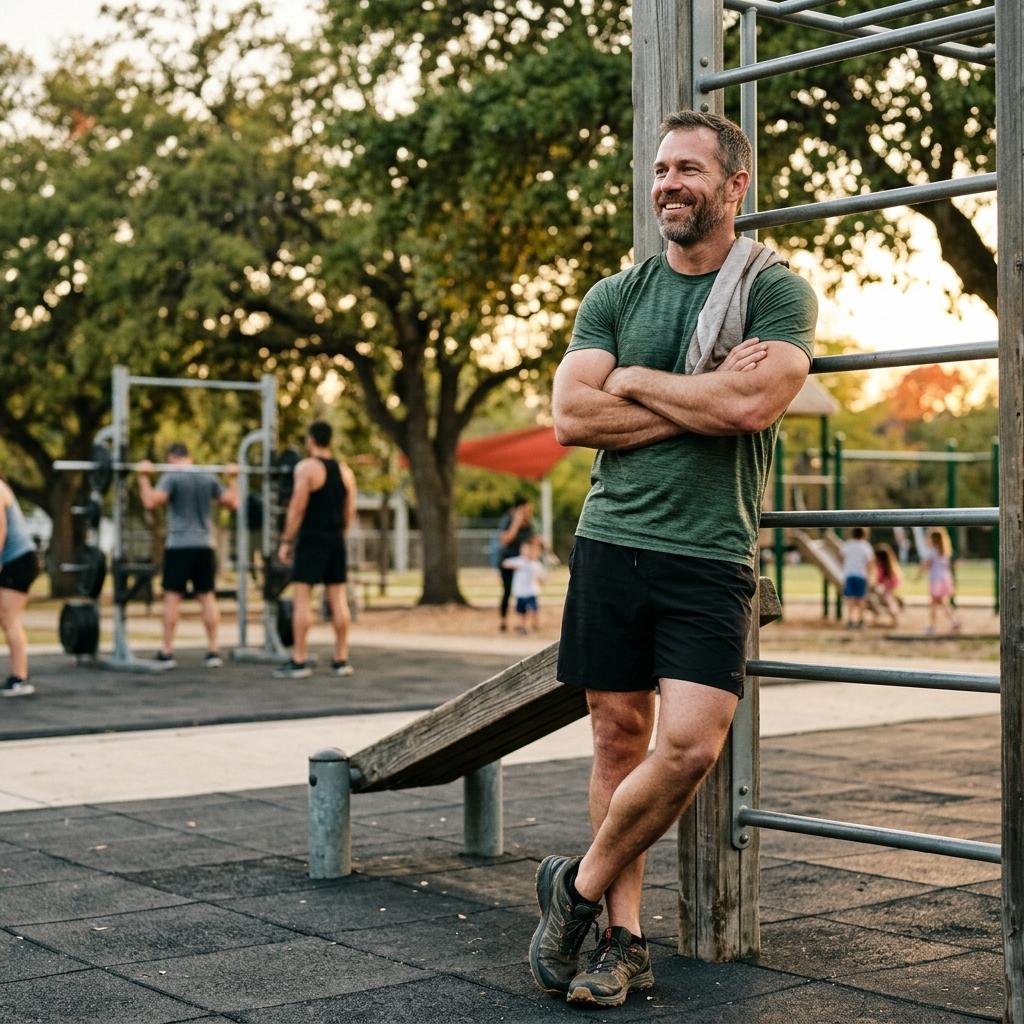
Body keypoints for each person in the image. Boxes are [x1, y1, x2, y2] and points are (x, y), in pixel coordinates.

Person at [531, 110, 817, 1007]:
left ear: (735, 185)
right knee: (618, 738)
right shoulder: (615, 295)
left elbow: (750, 410)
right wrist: (706, 390)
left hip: (710, 554)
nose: (668, 185)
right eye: (659, 170)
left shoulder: (779, 292)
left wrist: (641, 381)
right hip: (613, 542)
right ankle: (623, 941)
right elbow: (573, 419)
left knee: (689, 746)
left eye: (688, 169)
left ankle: (571, 891)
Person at [138, 444, 239, 667]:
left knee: (172, 598)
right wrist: (233, 478)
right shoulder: (207, 477)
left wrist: (143, 477)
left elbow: (151, 502)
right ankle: (213, 651)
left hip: (179, 546)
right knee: (207, 597)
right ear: (190, 457)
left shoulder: (172, 476)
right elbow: (233, 502)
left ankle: (167, 652)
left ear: (171, 458)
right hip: (205, 545)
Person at [275, 421, 357, 679]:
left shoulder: (307, 468)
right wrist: (339, 535)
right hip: (335, 538)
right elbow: (349, 512)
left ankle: (299, 660)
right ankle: (341, 659)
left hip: (312, 538)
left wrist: (287, 540)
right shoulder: (345, 472)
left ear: (311, 440)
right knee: (337, 598)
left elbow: (297, 507)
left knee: (302, 597)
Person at [0, 476, 40, 696]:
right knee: (4, 618)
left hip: (19, 561)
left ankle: (19, 679)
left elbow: (0, 531)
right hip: (16, 561)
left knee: (9, 618)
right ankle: (18, 675)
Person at [496, 496, 535, 632]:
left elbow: (531, 541)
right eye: (527, 507)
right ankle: (503, 620)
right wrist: (516, 523)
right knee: (507, 590)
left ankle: (523, 623)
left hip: (522, 563)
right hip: (507, 561)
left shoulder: (529, 524)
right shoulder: (508, 520)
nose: (529, 510)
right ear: (520, 508)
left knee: (523, 592)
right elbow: (505, 540)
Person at [501, 536, 546, 634]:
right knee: (521, 612)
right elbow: (505, 563)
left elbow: (541, 577)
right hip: (520, 592)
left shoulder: (535, 564)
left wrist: (541, 580)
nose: (526, 552)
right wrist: (512, 565)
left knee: (533, 609)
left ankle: (535, 624)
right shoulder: (520, 561)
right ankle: (522, 626)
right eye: (524, 549)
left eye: (529, 550)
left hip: (531, 592)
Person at [921, 527, 959, 634]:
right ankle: (954, 621)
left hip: (936, 580)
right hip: (945, 579)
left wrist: (918, 574)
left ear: (933, 540)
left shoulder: (932, 551)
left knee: (933, 603)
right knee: (943, 602)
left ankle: (932, 626)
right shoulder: (945, 551)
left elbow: (926, 565)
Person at [840, 526, 875, 630]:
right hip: (861, 575)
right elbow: (869, 562)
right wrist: (870, 575)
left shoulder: (847, 544)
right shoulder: (865, 546)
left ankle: (850, 620)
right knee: (861, 599)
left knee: (850, 598)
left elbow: (841, 556)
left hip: (849, 574)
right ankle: (860, 620)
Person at [872, 542, 903, 627]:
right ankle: (891, 619)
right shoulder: (890, 564)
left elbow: (881, 580)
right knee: (886, 600)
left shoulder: (883, 566)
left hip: (886, 588)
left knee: (887, 601)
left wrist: (880, 586)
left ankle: (894, 619)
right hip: (887, 588)